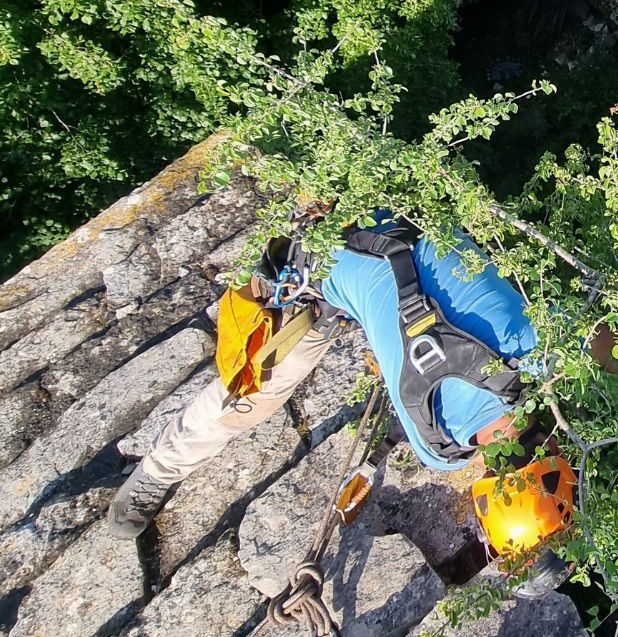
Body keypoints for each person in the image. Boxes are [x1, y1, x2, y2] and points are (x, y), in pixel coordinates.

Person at [109, 213, 591, 543]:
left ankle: (157, 472)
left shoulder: (541, 351)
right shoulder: (437, 449)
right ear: (486, 477)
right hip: (314, 266)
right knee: (249, 394)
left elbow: (611, 339)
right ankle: (157, 470)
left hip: (385, 210)